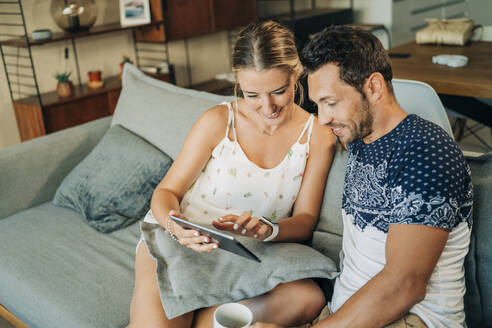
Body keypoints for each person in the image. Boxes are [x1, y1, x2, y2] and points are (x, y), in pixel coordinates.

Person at [256, 25, 473, 328]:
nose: (324, 118)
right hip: (344, 314)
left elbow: (404, 285)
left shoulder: (426, 152)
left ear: (374, 87)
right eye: (318, 105)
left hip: (411, 319)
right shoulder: (359, 138)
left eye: (331, 103)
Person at [127, 21, 336, 328]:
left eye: (278, 91)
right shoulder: (218, 121)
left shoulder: (317, 135)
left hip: (247, 252)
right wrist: (175, 228)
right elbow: (165, 192)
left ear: (296, 75)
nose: (267, 107)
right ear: (238, 82)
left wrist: (269, 230)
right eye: (252, 95)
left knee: (308, 297)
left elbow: (304, 221)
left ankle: (204, 316)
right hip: (181, 240)